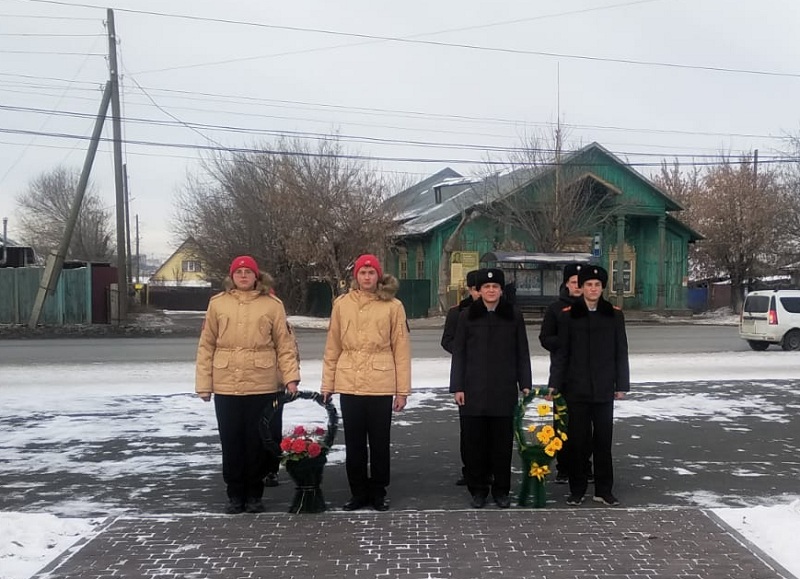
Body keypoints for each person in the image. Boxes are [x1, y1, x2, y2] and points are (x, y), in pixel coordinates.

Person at [196, 255, 300, 515]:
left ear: (257, 277)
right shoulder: (217, 304)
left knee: (256, 442)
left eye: (248, 272)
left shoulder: (272, 305)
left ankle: (254, 495)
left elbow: (284, 346)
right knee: (231, 440)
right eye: (238, 272)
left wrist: (290, 378)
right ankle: (235, 495)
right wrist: (204, 384)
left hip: (261, 384)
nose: (243, 276)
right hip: (226, 383)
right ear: (231, 277)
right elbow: (206, 345)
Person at [322, 254, 411, 512]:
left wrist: (402, 391)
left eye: (372, 273)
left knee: (380, 442)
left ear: (379, 276)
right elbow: (333, 346)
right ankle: (358, 492)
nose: (367, 277)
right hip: (349, 382)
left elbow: (401, 351)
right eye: (363, 273)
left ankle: (378, 490)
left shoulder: (393, 306)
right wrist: (327, 384)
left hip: (381, 382)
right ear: (356, 276)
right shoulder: (341, 304)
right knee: (354, 442)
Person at [449, 268, 532, 509]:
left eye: (495, 287)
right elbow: (459, 354)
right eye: (486, 287)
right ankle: (478, 489)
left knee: (501, 445)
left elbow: (522, 353)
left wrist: (524, 384)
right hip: (472, 390)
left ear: (501, 290)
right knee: (475, 444)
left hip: (503, 390)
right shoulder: (467, 316)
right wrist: (458, 387)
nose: (491, 290)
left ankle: (501, 490)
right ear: (479, 291)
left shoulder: (513, 315)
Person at [548, 265, 629, 507]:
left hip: (604, 388)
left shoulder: (614, 314)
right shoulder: (567, 314)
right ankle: (577, 489)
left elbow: (620, 351)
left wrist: (621, 384)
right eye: (588, 285)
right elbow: (561, 354)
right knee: (577, 442)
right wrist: (555, 385)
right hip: (576, 388)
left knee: (603, 441)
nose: (593, 289)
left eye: (597, 285)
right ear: (580, 288)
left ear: (602, 288)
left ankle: (604, 490)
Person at [539, 263, 589, 484]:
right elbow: (545, 338)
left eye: (581, 283)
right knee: (563, 422)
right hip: (563, 374)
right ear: (566, 284)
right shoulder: (555, 309)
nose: (577, 287)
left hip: (588, 375)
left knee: (586, 425)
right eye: (573, 282)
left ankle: (585, 466)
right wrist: (564, 342)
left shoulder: (592, 307)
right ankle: (564, 465)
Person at [441, 268, 482, 486]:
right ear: (469, 289)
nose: (479, 294)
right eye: (475, 289)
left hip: (492, 378)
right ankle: (470, 471)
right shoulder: (457, 312)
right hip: (466, 375)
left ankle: (490, 471)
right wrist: (463, 351)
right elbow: (446, 340)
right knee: (468, 430)